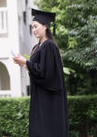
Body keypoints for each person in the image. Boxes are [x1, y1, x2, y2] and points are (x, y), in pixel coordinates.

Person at [13, 8, 69, 137]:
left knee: (46, 130)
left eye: (36, 26)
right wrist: (26, 65)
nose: (34, 30)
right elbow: (38, 70)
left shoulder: (49, 46)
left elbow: (46, 73)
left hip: (49, 99)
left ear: (45, 26)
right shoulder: (37, 47)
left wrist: (26, 63)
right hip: (40, 95)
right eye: (32, 27)